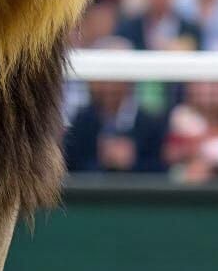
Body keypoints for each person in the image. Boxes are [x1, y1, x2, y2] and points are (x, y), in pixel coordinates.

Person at [64, 39, 168, 174]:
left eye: (114, 76)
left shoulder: (150, 124)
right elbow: (72, 169)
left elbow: (159, 171)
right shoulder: (83, 120)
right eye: (101, 76)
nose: (107, 84)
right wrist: (102, 160)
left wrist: (131, 162)